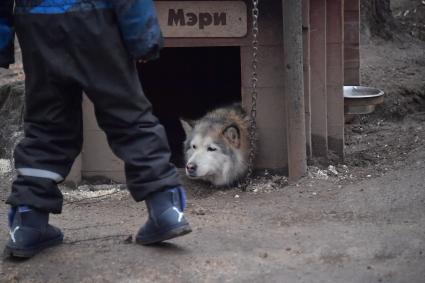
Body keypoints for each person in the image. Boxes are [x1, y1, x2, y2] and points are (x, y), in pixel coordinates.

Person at [0, 0, 192, 258]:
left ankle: (28, 224)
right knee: (127, 116)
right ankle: (165, 210)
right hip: (96, 18)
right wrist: (143, 37)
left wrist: (2, 42)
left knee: (47, 126)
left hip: (37, 22)